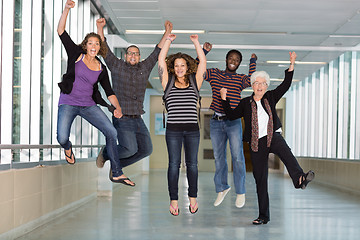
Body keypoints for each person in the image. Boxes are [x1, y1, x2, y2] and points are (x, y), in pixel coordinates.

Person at [220, 52, 315, 225]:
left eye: (263, 83)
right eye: (257, 83)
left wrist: (292, 63)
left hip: (273, 136)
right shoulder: (245, 103)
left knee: (287, 154)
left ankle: (299, 178)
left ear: (266, 85)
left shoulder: (271, 96)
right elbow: (232, 115)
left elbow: (285, 85)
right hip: (257, 143)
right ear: (252, 85)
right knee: (260, 179)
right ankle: (263, 216)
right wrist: (225, 100)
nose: (260, 86)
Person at [56, 0, 134, 186]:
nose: (93, 45)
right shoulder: (76, 53)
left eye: (96, 43)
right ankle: (68, 149)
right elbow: (61, 31)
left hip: (89, 106)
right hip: (68, 102)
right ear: (85, 44)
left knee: (111, 132)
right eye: (90, 42)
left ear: (100, 47)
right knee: (62, 138)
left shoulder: (101, 67)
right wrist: (66, 9)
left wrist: (117, 107)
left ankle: (116, 172)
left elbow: (109, 91)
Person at [95, 18, 173, 183]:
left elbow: (157, 52)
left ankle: (117, 166)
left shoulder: (144, 68)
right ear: (125, 56)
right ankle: (106, 153)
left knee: (146, 150)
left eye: (136, 53)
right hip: (121, 117)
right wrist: (100, 28)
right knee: (129, 148)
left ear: (139, 57)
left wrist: (166, 33)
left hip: (138, 118)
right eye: (130, 53)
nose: (133, 55)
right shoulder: (116, 66)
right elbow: (104, 49)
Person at [158, 34, 206, 216]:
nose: (179, 68)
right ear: (173, 67)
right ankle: (174, 200)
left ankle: (193, 198)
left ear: (187, 67)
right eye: (176, 65)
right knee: (174, 164)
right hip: (173, 131)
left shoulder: (195, 82)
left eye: (182, 65)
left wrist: (196, 43)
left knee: (192, 165)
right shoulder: (167, 82)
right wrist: (168, 40)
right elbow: (161, 59)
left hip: (193, 130)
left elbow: (202, 62)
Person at [203, 43, 257, 208]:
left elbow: (253, 80)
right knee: (219, 158)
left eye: (237, 60)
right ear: (226, 59)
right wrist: (204, 51)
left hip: (233, 123)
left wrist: (253, 61)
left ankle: (240, 192)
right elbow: (198, 69)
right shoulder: (214, 74)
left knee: (238, 158)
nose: (233, 61)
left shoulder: (240, 79)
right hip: (216, 122)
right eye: (231, 58)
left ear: (239, 63)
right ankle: (222, 188)